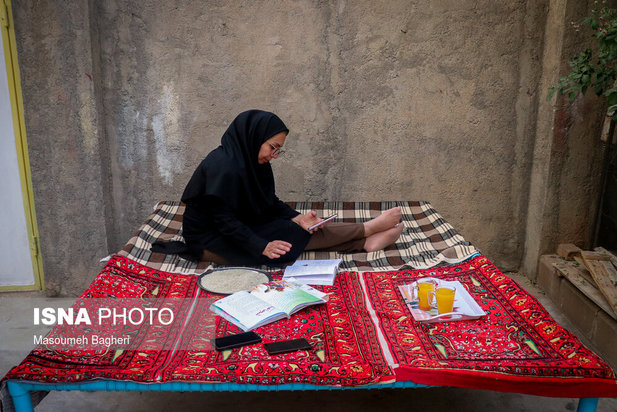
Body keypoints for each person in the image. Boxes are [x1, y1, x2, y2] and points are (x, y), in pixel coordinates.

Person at [176, 109, 403, 265]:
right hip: (210, 239)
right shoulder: (222, 167)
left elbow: (269, 202)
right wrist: (260, 246)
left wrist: (297, 217)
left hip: (238, 225)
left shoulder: (254, 161)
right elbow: (224, 221)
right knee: (282, 240)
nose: (274, 155)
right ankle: (366, 231)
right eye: (272, 147)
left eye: (278, 150)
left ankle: (364, 243)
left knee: (291, 228)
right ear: (254, 137)